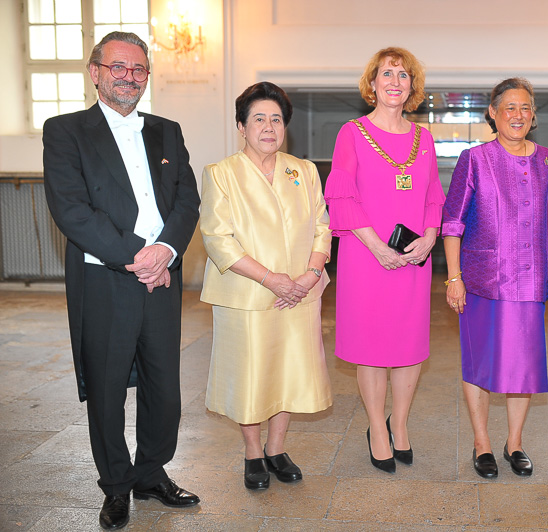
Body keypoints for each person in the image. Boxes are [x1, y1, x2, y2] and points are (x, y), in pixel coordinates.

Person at [42, 32, 200, 530]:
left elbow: (187, 201)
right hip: (105, 279)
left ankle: (151, 473)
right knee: (107, 389)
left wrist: (166, 251)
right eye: (118, 67)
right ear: (95, 72)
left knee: (164, 387)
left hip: (163, 278)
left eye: (138, 69)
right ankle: (115, 485)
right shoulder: (65, 131)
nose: (129, 77)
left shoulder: (167, 130)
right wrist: (140, 257)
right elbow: (72, 210)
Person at [442, 78, 548, 479]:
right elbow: (452, 223)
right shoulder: (475, 159)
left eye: (525, 107)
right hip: (482, 280)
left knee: (524, 366)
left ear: (533, 114)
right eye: (509, 107)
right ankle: (482, 443)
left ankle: (515, 443)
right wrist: (453, 277)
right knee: (479, 363)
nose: (518, 115)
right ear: (493, 112)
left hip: (532, 280)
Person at [200, 82, 333, 490]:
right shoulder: (221, 174)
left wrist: (310, 276)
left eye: (276, 119)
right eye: (259, 118)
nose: (269, 127)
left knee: (289, 371)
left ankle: (277, 448)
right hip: (247, 294)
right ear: (241, 126)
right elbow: (218, 239)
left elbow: (323, 227)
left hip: (300, 294)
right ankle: (253, 452)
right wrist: (271, 279)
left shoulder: (303, 171)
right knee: (251, 375)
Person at [324, 47, 445, 473]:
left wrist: (430, 237)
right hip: (365, 257)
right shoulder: (352, 133)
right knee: (371, 347)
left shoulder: (424, 138)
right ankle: (377, 427)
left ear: (413, 87)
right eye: (387, 74)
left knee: (409, 347)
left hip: (412, 259)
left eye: (403, 75)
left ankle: (401, 423)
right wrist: (376, 246)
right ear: (372, 83)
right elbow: (342, 195)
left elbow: (433, 196)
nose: (395, 82)